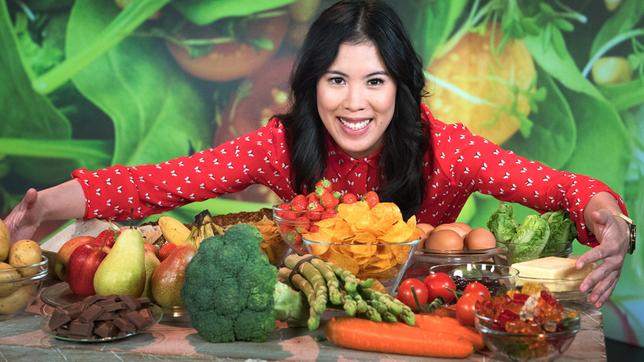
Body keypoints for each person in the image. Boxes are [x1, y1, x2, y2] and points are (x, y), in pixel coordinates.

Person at [4, 0, 633, 308]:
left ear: (403, 89)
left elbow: (558, 186)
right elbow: (162, 183)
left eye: (375, 81)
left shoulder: (448, 150)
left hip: (432, 323)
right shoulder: (281, 145)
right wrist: (49, 205)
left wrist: (610, 219)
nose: (354, 103)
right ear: (311, 85)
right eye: (336, 79)